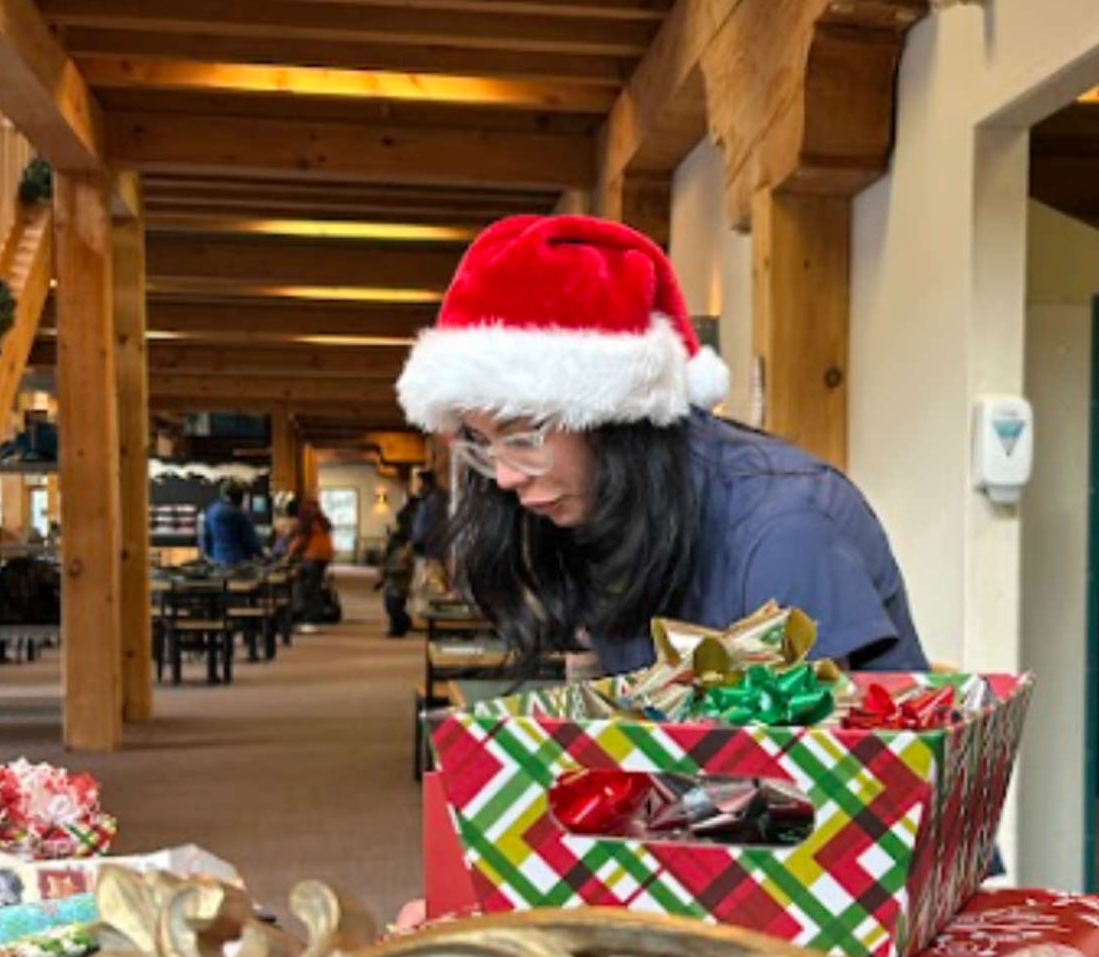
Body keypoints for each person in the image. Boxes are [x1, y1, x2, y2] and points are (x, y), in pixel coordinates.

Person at [395, 214, 926, 674]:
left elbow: (803, 754)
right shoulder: (602, 509)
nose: (506, 476)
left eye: (521, 437)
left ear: (615, 414)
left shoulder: (784, 528)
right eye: (481, 444)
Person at [287, 498, 337, 627]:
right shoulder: (320, 520)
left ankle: (307, 615)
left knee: (306, 585)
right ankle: (315, 614)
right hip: (323, 557)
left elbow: (301, 539)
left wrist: (289, 554)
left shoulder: (306, 520)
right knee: (315, 586)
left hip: (312, 557)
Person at [198, 482, 263, 567]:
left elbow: (205, 538)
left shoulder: (211, 511)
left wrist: (208, 558)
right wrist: (263, 557)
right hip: (239, 564)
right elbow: (251, 541)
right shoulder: (239, 514)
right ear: (240, 497)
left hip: (217, 562)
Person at [374, 525, 417, 639]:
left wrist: (388, 571)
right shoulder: (392, 552)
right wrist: (381, 581)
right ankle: (397, 629)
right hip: (391, 585)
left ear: (399, 541)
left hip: (400, 585)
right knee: (390, 607)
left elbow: (402, 569)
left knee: (394, 607)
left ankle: (405, 622)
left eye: (393, 539)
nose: (390, 541)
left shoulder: (405, 553)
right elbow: (385, 566)